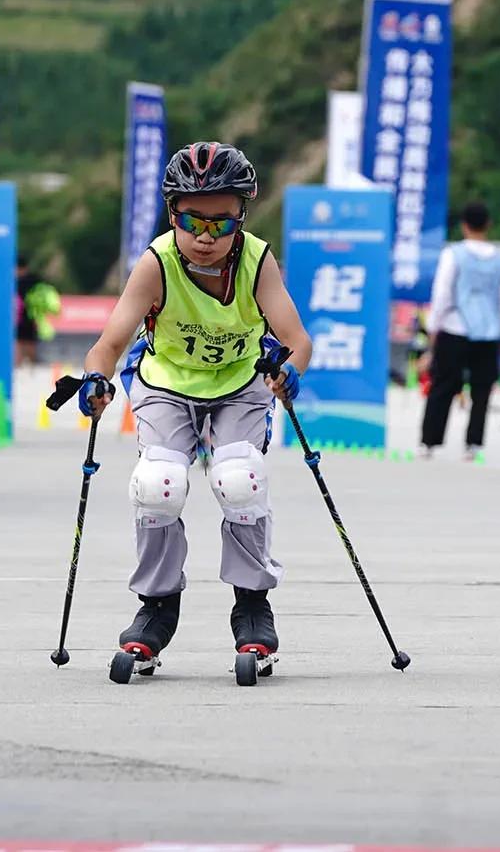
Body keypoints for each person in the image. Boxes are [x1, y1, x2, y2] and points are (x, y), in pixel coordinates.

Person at [77, 142, 311, 671]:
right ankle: (156, 607)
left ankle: (252, 603)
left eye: (221, 225)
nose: (205, 238)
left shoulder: (257, 262)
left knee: (239, 480)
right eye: (192, 222)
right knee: (157, 484)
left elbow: (296, 340)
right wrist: (96, 379)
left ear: (241, 219)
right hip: (167, 383)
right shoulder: (156, 264)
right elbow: (108, 344)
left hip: (240, 382)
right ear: (172, 215)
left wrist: (290, 370)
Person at [419, 201, 500, 461]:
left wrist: (433, 326)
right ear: (488, 224)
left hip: (455, 327)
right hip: (489, 331)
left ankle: (429, 441)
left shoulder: (454, 254)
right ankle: (473, 443)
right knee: (482, 389)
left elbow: (442, 292)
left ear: (464, 226)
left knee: (443, 385)